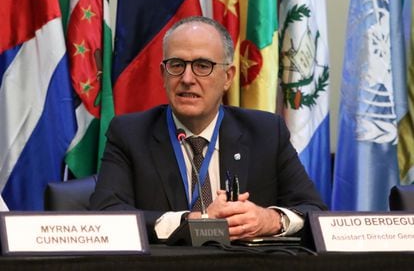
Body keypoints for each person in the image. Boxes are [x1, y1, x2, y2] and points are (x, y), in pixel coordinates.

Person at [90, 16, 327, 243]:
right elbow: (107, 216)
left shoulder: (266, 132)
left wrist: (271, 220)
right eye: (177, 65)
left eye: (202, 66)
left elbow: (314, 212)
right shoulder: (130, 134)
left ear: (228, 77)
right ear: (163, 75)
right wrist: (195, 222)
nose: (187, 78)